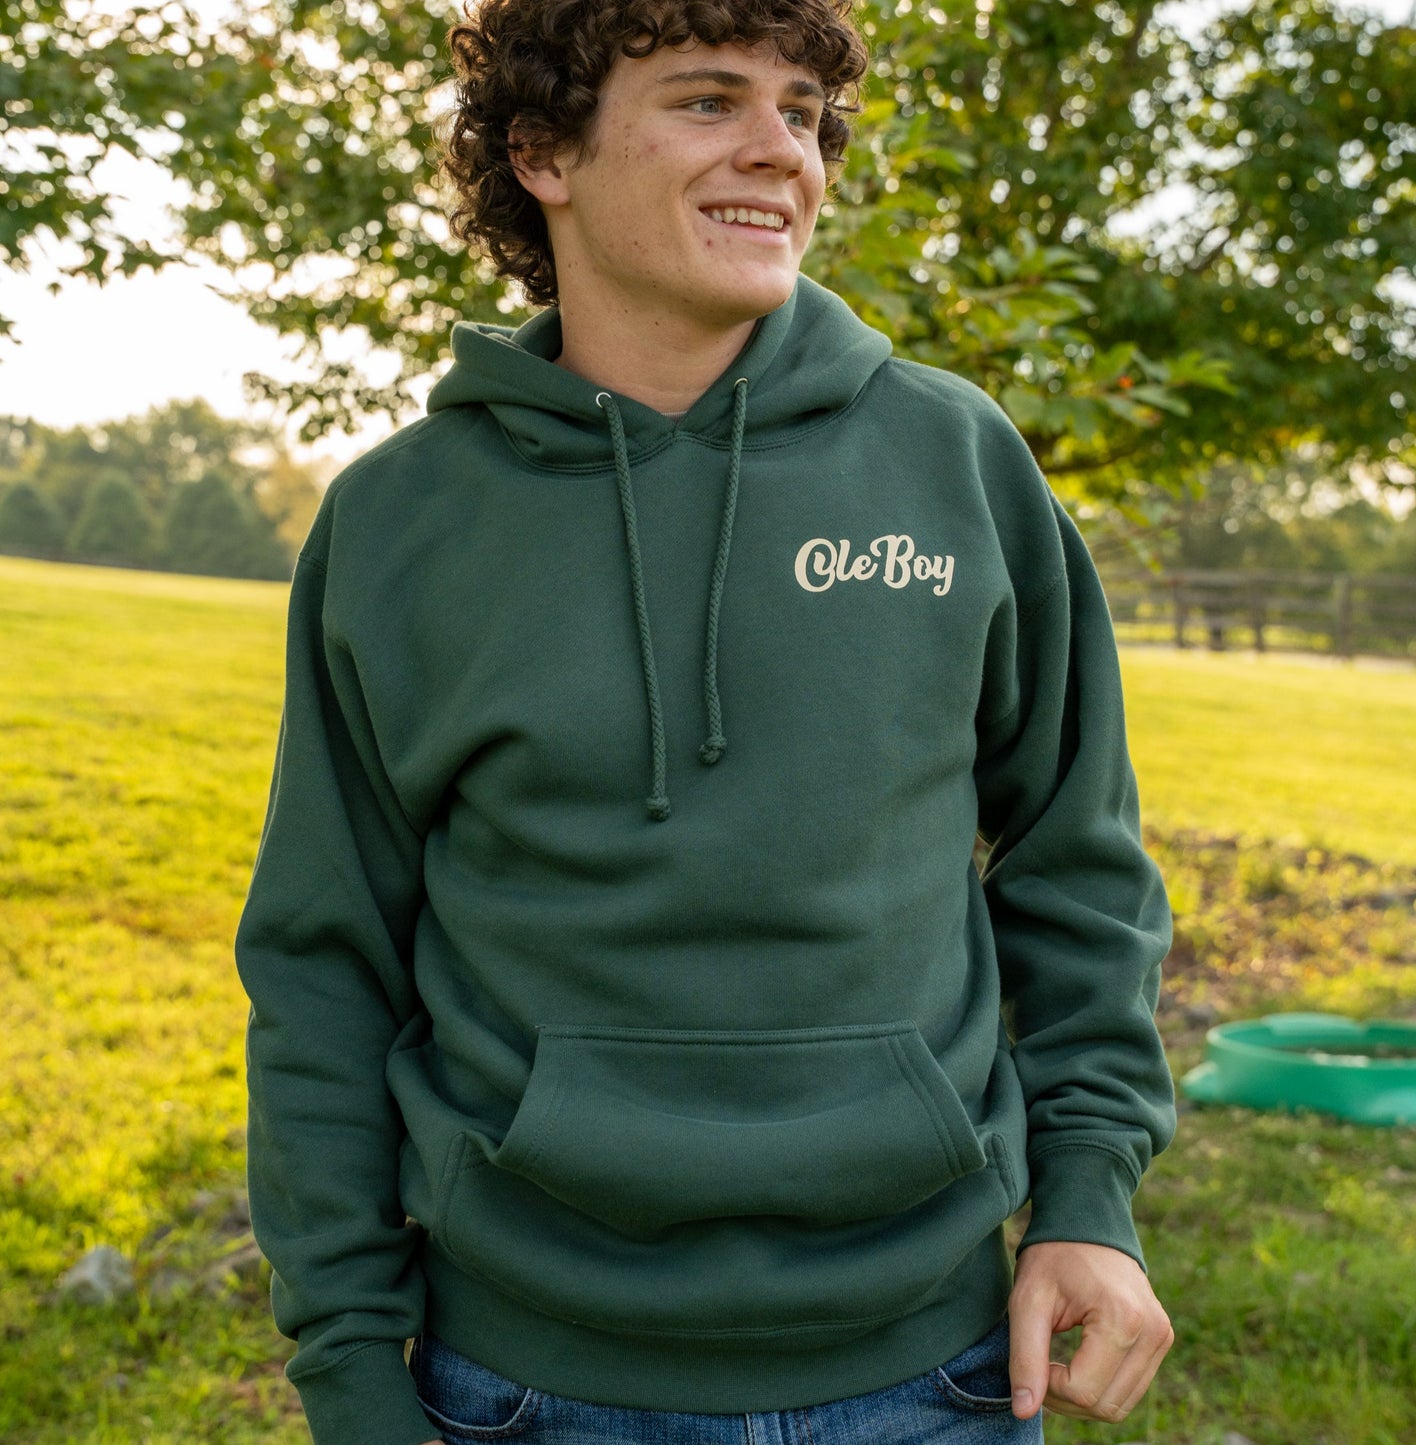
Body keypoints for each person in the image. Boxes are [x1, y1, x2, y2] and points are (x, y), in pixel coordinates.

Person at [234, 0, 1177, 1441]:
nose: (779, 152)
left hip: (938, 1369)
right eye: (707, 100)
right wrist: (353, 1363)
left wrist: (1090, 1201)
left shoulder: (956, 461)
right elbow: (322, 959)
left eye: (801, 110)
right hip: (526, 1385)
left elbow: (1078, 866)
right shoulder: (399, 522)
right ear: (543, 150)